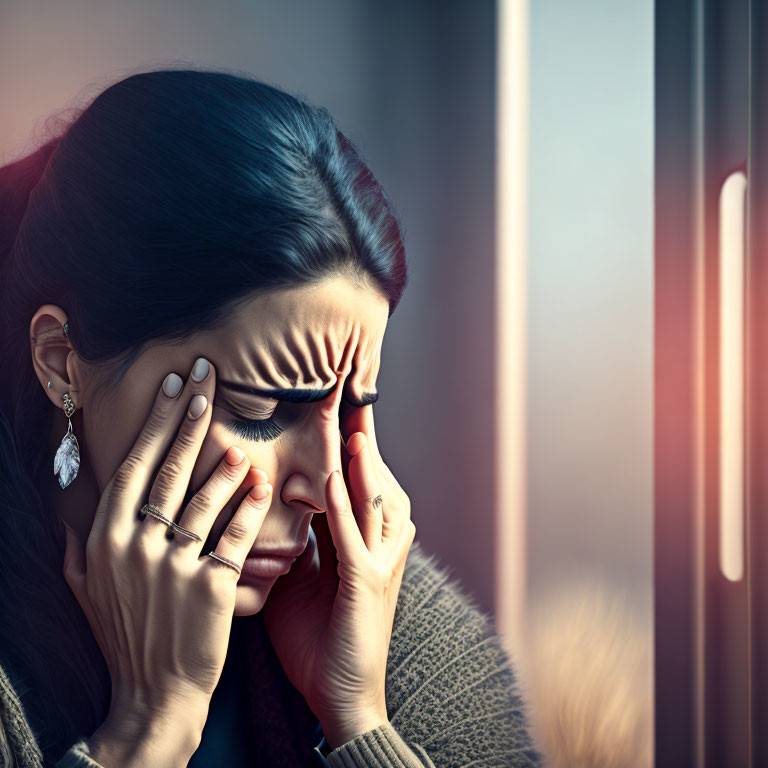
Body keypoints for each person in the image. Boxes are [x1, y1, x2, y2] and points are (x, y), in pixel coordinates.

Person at [0, 69, 541, 767]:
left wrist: (360, 720)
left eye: (350, 409)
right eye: (257, 412)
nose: (320, 488)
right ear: (60, 362)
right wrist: (147, 732)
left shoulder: (374, 616)